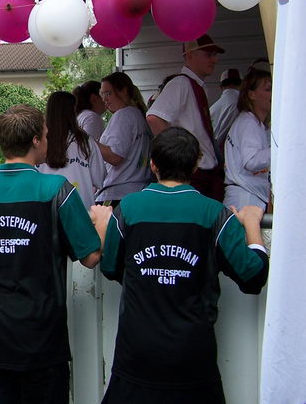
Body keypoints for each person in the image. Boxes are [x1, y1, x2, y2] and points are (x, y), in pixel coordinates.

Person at [100, 127, 269, 404]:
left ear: (153, 164)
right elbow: (253, 275)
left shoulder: (128, 209)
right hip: (191, 356)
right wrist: (252, 225)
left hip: (137, 353)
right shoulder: (214, 213)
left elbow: (110, 267)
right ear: (195, 164)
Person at [0, 104, 109, 404]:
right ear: (37, 140)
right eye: (47, 135)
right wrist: (102, 225)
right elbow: (90, 256)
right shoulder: (57, 189)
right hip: (41, 336)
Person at [147, 34, 225, 201]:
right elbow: (154, 117)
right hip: (195, 174)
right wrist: (179, 157)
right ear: (190, 55)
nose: (214, 59)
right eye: (208, 54)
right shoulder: (181, 83)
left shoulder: (197, 86)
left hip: (204, 173)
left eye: (214, 54)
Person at [39, 91, 106, 207]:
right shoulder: (85, 141)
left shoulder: (39, 142)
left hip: (48, 211)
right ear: (72, 111)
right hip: (81, 212)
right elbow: (100, 178)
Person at [95, 72, 151, 205]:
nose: (105, 99)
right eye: (102, 94)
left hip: (117, 193)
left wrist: (87, 140)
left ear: (124, 91)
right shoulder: (139, 115)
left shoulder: (123, 115)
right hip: (138, 191)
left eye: (108, 93)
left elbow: (115, 156)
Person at [224, 68, 272, 211]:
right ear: (251, 94)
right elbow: (251, 161)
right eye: (268, 89)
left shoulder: (258, 124)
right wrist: (280, 150)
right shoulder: (248, 122)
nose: (273, 94)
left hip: (248, 197)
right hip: (245, 199)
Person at [210, 68, 242, 149]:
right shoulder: (242, 104)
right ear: (242, 85)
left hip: (211, 151)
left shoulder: (213, 107)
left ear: (221, 86)